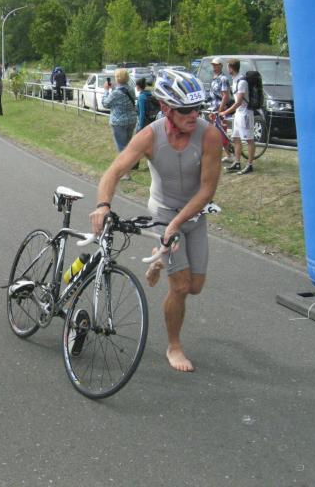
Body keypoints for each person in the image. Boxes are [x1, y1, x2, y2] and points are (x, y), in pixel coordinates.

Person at [89, 69, 222, 373]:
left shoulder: (210, 136)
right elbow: (113, 171)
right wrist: (103, 205)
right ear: (166, 108)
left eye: (197, 108)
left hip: (194, 214)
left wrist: (178, 224)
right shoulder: (149, 136)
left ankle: (159, 258)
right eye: (185, 110)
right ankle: (174, 346)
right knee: (180, 286)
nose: (194, 115)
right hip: (163, 212)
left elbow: (207, 190)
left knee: (196, 286)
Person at [220, 58, 255, 174]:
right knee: (235, 138)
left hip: (245, 113)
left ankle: (250, 165)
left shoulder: (242, 82)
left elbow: (239, 102)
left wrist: (225, 112)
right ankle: (237, 162)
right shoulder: (235, 80)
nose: (227, 69)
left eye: (228, 67)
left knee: (249, 139)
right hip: (239, 113)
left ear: (231, 68)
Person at [101, 68, 137, 179]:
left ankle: (125, 174)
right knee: (128, 146)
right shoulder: (130, 89)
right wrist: (112, 89)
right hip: (131, 120)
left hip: (119, 122)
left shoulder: (116, 93)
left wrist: (106, 91)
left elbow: (105, 104)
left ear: (117, 78)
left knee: (122, 148)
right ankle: (129, 168)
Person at [207, 57, 233, 162]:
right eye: (213, 64)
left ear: (221, 66)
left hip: (220, 110)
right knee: (218, 133)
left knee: (220, 133)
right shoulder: (214, 78)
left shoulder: (223, 79)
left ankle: (226, 155)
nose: (214, 66)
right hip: (214, 109)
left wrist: (220, 111)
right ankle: (228, 155)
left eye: (216, 64)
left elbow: (225, 96)